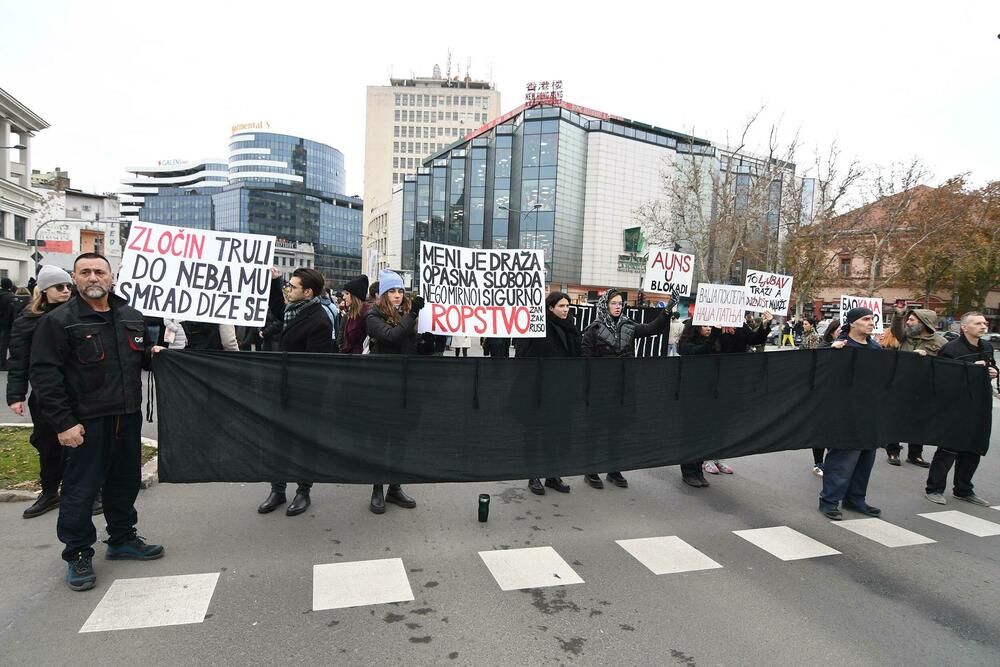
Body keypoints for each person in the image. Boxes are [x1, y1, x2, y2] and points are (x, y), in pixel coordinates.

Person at [30, 253, 164, 591]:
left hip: (127, 416)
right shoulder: (59, 321)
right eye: (85, 272)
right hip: (85, 422)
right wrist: (63, 424)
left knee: (124, 482)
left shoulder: (131, 316)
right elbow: (45, 376)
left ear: (112, 277)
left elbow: (140, 356)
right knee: (81, 489)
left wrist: (154, 354)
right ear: (74, 278)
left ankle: (121, 539)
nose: (93, 277)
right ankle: (77, 552)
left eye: (99, 272)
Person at [7, 265, 85, 519]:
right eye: (58, 287)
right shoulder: (28, 320)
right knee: (48, 444)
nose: (65, 291)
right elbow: (19, 360)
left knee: (83, 445)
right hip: (45, 395)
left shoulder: (78, 314)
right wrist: (16, 395)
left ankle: (87, 492)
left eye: (67, 287)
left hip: (79, 392)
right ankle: (50, 491)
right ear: (44, 290)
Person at [257, 267, 334, 517]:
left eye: (292, 286)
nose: (288, 290)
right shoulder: (292, 311)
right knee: (278, 440)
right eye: (288, 285)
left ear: (308, 292)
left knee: (303, 443)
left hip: (305, 395)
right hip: (282, 388)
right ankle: (277, 490)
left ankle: (303, 491)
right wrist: (275, 280)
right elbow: (278, 307)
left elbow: (313, 367)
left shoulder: (320, 320)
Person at [581, 288, 673, 489]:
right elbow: (585, 364)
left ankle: (614, 470)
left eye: (620, 303)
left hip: (623, 388)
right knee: (596, 430)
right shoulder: (593, 330)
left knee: (618, 429)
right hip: (601, 389)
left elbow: (652, 329)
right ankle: (591, 470)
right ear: (605, 305)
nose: (617, 306)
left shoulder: (628, 325)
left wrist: (667, 310)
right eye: (613, 303)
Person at [924, 311, 997, 506]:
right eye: (978, 323)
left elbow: (993, 368)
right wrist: (971, 367)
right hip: (956, 405)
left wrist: (993, 371)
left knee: (974, 447)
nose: (983, 326)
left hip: (980, 404)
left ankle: (963, 489)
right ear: (964, 327)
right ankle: (934, 488)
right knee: (950, 447)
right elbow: (941, 377)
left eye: (985, 323)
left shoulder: (987, 346)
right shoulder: (951, 349)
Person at [365, 269, 421, 513]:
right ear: (382, 295)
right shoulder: (373, 316)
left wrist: (428, 336)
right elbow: (391, 337)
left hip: (406, 385)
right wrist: (414, 316)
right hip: (382, 386)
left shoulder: (409, 315)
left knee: (400, 438)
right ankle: (377, 488)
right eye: (392, 291)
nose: (397, 295)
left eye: (400, 291)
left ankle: (395, 488)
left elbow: (415, 347)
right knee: (381, 439)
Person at [514, 291, 581, 495]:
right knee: (535, 433)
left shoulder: (571, 328)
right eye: (561, 306)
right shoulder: (538, 326)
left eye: (567, 306)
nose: (565, 309)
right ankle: (533, 475)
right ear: (550, 307)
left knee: (557, 434)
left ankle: (552, 475)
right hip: (539, 391)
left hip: (561, 392)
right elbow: (523, 355)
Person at [821, 307, 883, 520]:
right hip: (844, 412)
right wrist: (831, 351)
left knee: (866, 457)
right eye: (866, 319)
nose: (871, 322)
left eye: (872, 319)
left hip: (869, 412)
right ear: (853, 322)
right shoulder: (840, 346)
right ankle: (829, 501)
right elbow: (820, 371)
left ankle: (855, 499)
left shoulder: (875, 347)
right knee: (843, 458)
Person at [884, 306, 946, 467]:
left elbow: (947, 365)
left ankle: (915, 454)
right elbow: (896, 328)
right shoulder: (905, 337)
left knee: (918, 421)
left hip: (923, 388)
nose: (908, 323)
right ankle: (893, 451)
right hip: (900, 384)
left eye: (912, 320)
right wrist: (898, 315)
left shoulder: (941, 343)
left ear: (924, 323)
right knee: (894, 418)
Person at [338, 274, 370, 354]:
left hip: (360, 361)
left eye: (347, 293)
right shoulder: (353, 313)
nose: (344, 297)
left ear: (356, 296)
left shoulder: (366, 314)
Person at [0, 277, 17, 369]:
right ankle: (2, 363)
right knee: (5, 343)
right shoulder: (10, 297)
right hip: (7, 323)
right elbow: (12, 311)